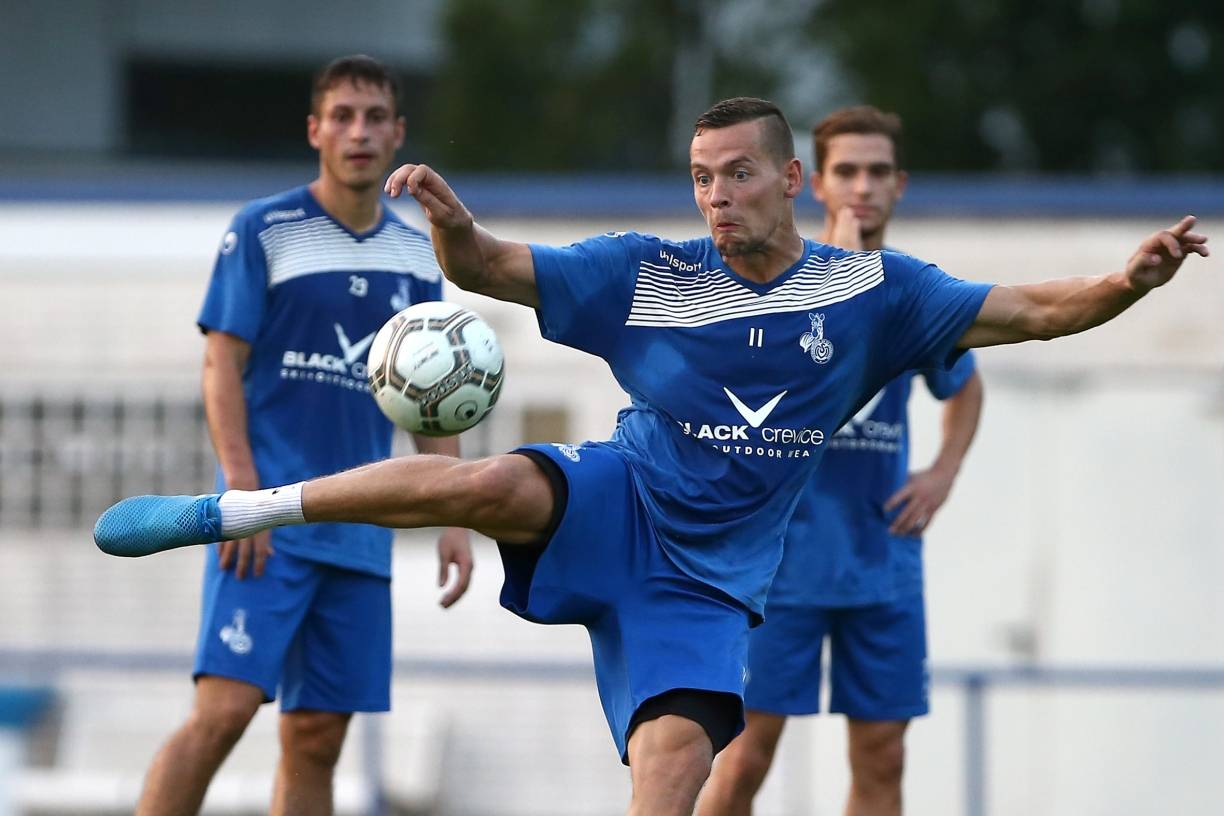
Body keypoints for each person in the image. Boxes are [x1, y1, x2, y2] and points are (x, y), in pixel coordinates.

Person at [95, 97, 1207, 816]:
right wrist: (447, 223)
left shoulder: (880, 294)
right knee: (486, 481)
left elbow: (1036, 312)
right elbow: (490, 266)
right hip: (620, 497)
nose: (715, 196)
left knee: (677, 766)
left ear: (792, 183)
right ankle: (240, 511)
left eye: (735, 175)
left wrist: (1128, 282)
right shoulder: (650, 273)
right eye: (700, 178)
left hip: (712, 579)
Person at [131, 55, 473, 816]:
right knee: (220, 716)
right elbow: (221, 362)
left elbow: (434, 396)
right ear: (315, 130)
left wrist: (454, 514)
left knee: (318, 737)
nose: (360, 131)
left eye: (375, 117)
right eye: (343, 116)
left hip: (359, 529)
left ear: (398, 134)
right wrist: (243, 489)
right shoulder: (263, 229)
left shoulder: (418, 253)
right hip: (267, 522)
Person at [698, 106, 983, 816]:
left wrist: (944, 470)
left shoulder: (911, 294)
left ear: (900, 184)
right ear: (813, 183)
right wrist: (845, 272)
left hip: (881, 563)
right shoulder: (777, 277)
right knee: (741, 762)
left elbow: (965, 384)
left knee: (883, 761)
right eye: (848, 171)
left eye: (878, 171)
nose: (863, 186)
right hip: (780, 571)